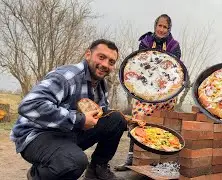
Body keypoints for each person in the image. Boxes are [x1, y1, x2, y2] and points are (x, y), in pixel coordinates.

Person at [10, 39, 127, 180]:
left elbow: (102, 117)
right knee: (74, 162)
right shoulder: (67, 77)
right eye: (101, 57)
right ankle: (38, 174)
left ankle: (96, 171)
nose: (105, 65)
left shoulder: (102, 85)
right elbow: (30, 105)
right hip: (37, 135)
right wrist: (79, 119)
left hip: (67, 133)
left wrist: (129, 122)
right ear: (88, 54)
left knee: (116, 119)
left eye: (111, 62)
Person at [115, 14, 182, 171]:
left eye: (165, 27)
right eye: (159, 25)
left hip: (165, 92)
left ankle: (158, 159)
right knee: (138, 119)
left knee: (160, 123)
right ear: (155, 26)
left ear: (169, 29)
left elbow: (174, 70)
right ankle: (131, 157)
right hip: (145, 90)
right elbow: (139, 65)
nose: (161, 29)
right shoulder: (145, 42)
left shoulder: (174, 45)